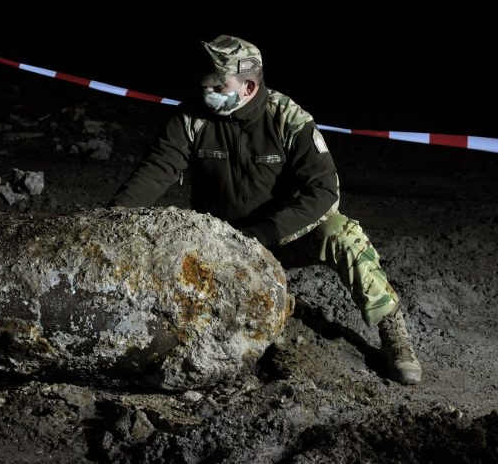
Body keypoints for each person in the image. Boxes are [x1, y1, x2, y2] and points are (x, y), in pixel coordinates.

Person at [109, 35, 422, 385]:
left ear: (248, 86)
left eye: (218, 83)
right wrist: (110, 219)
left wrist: (267, 233)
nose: (206, 88)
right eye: (205, 80)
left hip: (280, 236)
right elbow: (155, 169)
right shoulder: (191, 117)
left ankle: (392, 329)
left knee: (342, 233)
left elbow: (324, 191)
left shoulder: (287, 118)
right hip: (220, 243)